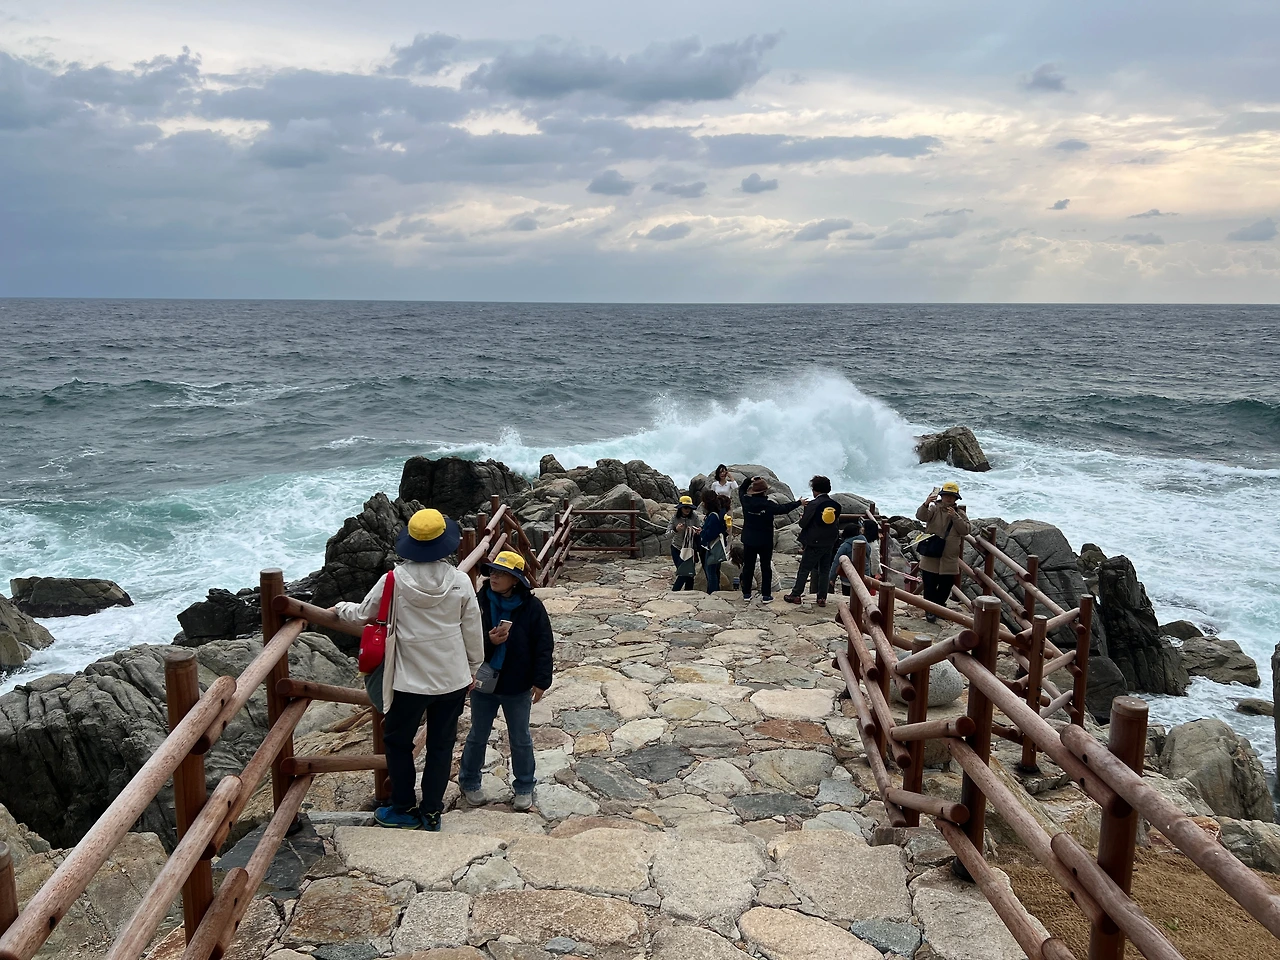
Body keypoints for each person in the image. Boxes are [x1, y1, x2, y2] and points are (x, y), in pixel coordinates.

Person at [333, 508, 483, 831]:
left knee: (398, 744)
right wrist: (473, 669)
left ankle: (402, 808)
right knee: (441, 746)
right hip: (452, 679)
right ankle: (431, 813)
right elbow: (472, 631)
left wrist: (339, 608)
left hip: (408, 681)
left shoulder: (394, 580)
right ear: (445, 543)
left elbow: (361, 614)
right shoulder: (460, 582)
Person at [459, 550, 554, 813]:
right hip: (483, 679)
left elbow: (543, 645)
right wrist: (489, 641)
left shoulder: (532, 607)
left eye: (502, 574)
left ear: (515, 580)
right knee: (478, 734)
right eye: (493, 572)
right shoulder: (478, 602)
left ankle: (524, 786)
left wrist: (541, 681)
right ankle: (469, 781)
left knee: (520, 737)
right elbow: (464, 636)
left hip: (517, 682)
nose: (495, 577)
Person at [738, 474, 801, 604]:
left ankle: (746, 594)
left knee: (748, 567)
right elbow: (784, 509)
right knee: (765, 567)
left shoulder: (746, 501)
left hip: (749, 539)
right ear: (765, 491)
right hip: (765, 540)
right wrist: (799, 503)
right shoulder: (768, 505)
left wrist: (749, 480)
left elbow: (741, 489)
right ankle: (766, 595)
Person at [915, 480, 971, 622]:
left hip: (949, 557)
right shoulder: (934, 508)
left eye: (952, 496)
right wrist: (926, 503)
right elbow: (921, 516)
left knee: (946, 586)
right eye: (946, 495)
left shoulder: (959, 513)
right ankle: (930, 611)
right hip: (931, 554)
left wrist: (955, 517)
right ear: (941, 496)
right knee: (929, 585)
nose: (949, 498)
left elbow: (965, 530)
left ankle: (939, 608)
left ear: (956, 499)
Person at [784, 475, 842, 607]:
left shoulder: (813, 504)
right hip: (829, 541)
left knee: (804, 569)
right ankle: (822, 598)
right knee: (825, 570)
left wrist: (802, 518)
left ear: (815, 490)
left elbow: (803, 524)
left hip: (814, 542)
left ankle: (796, 594)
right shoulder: (836, 505)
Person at [666, 495, 701, 591]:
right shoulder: (674, 518)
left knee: (690, 574)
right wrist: (676, 530)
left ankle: (688, 593)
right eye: (685, 507)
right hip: (677, 548)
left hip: (690, 549)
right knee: (683, 572)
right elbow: (667, 535)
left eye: (689, 508)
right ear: (680, 508)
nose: (688, 510)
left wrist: (698, 532)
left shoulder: (694, 517)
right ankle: (675, 591)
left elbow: (700, 528)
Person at [699, 488, 728, 593]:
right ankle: (714, 591)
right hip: (716, 545)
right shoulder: (719, 513)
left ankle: (712, 592)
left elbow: (710, 534)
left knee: (711, 572)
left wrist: (701, 533)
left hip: (712, 546)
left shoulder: (713, 516)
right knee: (715, 571)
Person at [828, 523, 866, 596]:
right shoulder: (865, 543)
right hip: (864, 577)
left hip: (847, 579)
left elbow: (836, 563)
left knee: (848, 598)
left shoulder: (845, 546)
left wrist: (832, 578)